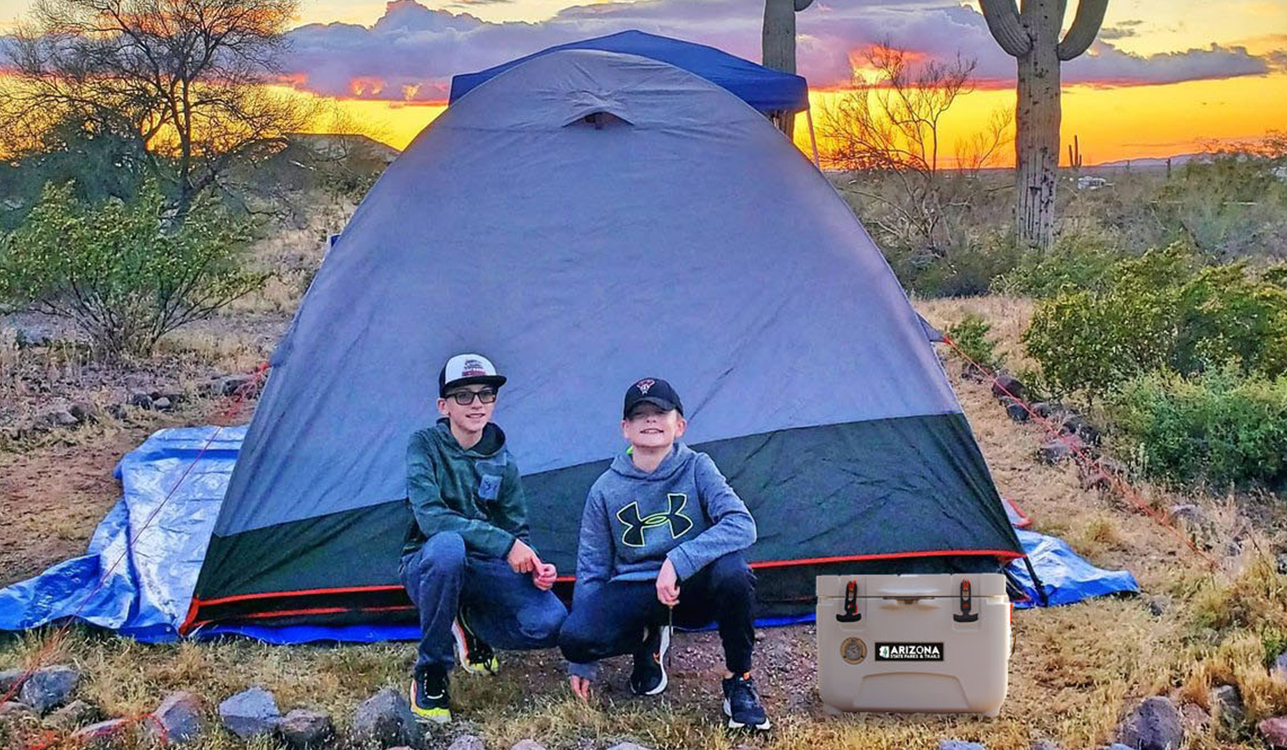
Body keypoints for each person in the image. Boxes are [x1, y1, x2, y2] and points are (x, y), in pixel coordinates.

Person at [558, 377, 770, 730]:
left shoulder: (698, 467)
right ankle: (647, 639)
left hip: (692, 585)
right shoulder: (605, 489)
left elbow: (742, 524)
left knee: (734, 572)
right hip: (637, 587)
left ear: (680, 425)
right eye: (640, 415)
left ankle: (739, 681)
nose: (651, 420)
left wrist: (678, 560)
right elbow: (593, 567)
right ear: (625, 429)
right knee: (575, 638)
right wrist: (583, 661)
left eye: (660, 412)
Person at [400, 353, 566, 724]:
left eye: (485, 394)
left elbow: (517, 530)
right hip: (429, 564)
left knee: (550, 622)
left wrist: (534, 564)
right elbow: (431, 519)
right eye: (463, 395)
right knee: (447, 547)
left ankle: (470, 624)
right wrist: (506, 546)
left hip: (484, 567)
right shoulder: (423, 446)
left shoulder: (503, 459)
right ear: (443, 405)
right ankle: (431, 671)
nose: (476, 403)